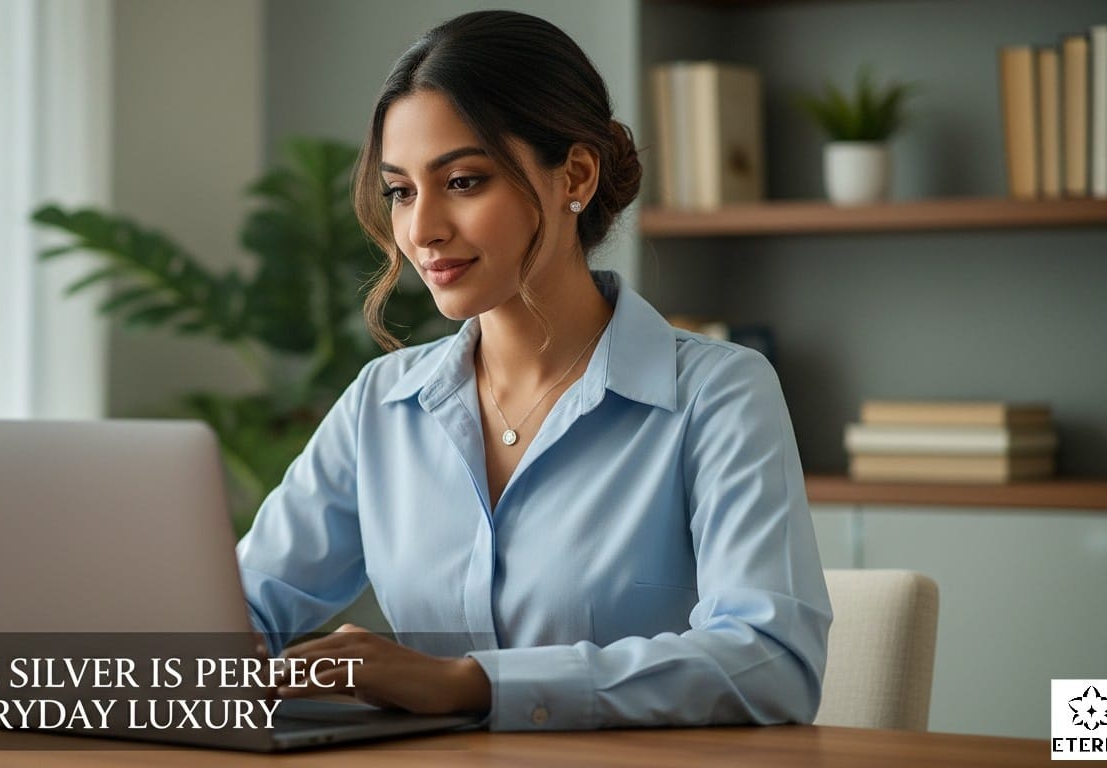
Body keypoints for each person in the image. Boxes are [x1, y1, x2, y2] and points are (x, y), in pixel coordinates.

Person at [236, 10, 831, 731]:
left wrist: (470, 683)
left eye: (462, 181)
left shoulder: (718, 393)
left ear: (574, 175)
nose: (422, 230)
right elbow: (241, 606)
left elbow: (770, 662)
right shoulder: (381, 406)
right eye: (401, 191)